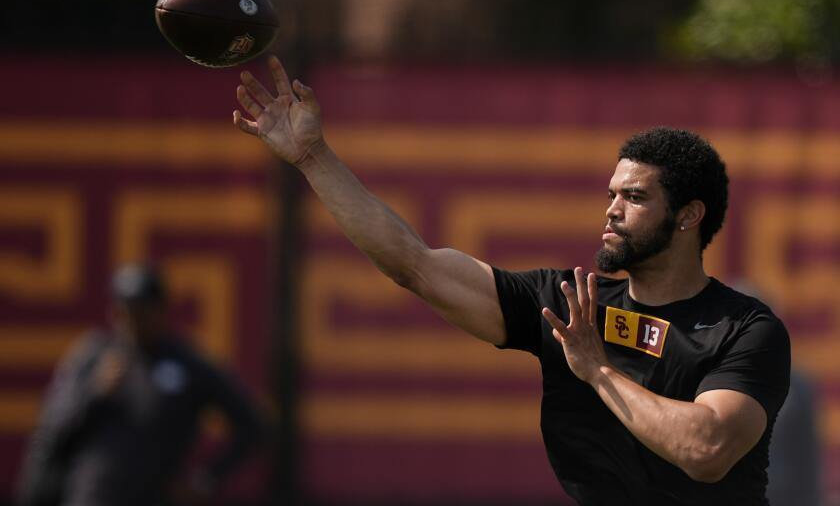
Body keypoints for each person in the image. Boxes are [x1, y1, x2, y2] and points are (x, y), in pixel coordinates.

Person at [232, 56, 790, 505]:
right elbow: (414, 264)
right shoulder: (570, 303)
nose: (613, 210)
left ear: (689, 216)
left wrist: (596, 369)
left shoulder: (745, 328)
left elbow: (706, 449)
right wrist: (312, 157)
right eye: (612, 194)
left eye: (636, 197)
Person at [16, 264, 262, 506]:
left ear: (161, 310)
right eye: (125, 310)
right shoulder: (94, 355)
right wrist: (93, 393)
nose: (132, 320)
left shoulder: (187, 364)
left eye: (141, 311)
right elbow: (52, 430)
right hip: (91, 497)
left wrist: (206, 479)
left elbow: (251, 425)